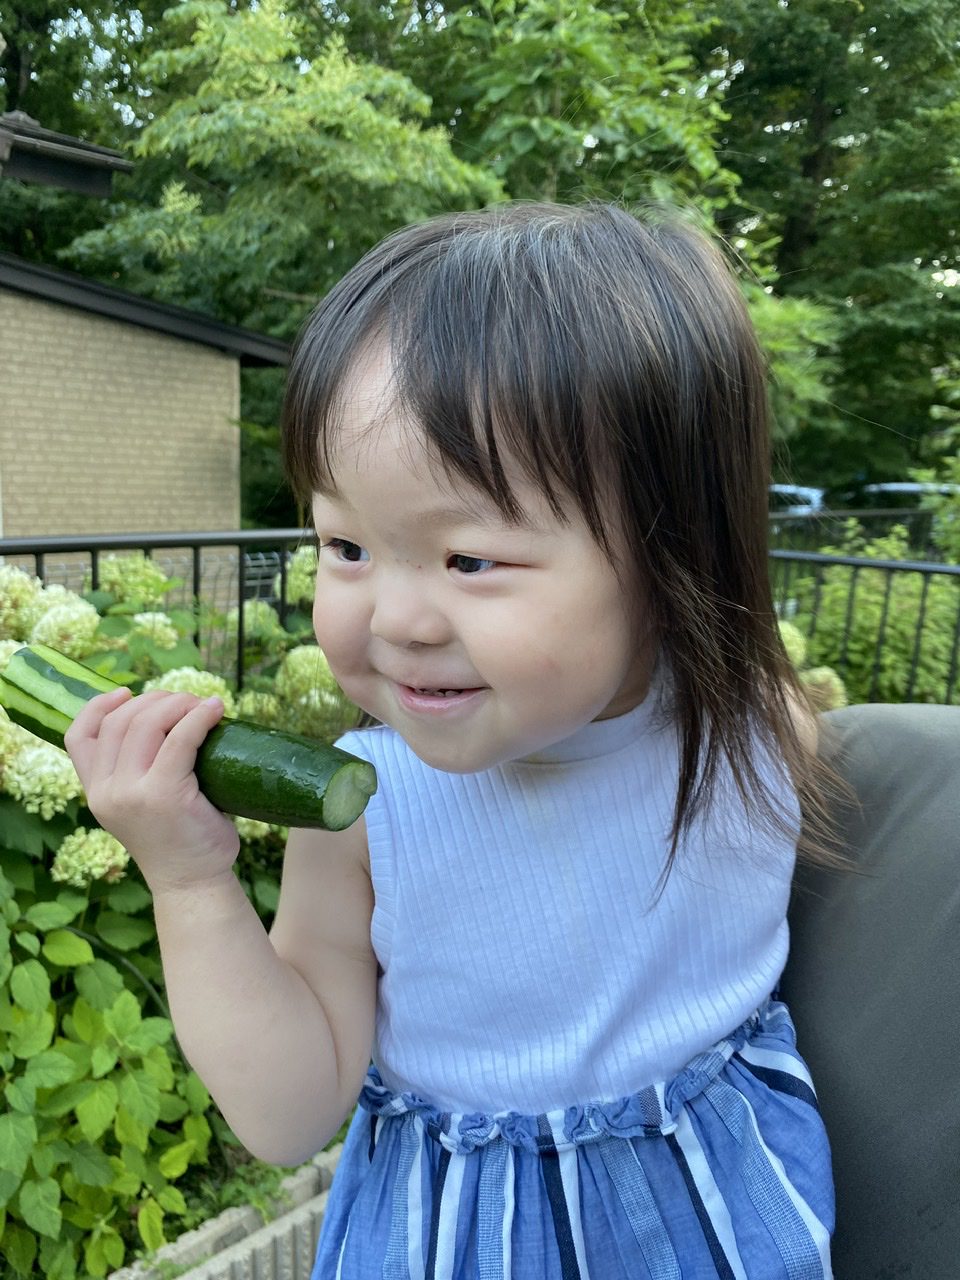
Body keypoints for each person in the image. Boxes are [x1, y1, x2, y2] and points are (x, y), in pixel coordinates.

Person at [67, 201, 836, 1279]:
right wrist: (190, 878)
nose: (393, 619)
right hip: (464, 1235)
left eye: (468, 558)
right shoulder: (368, 810)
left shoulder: (756, 727)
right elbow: (289, 1113)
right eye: (345, 544)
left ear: (676, 556)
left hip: (720, 1217)